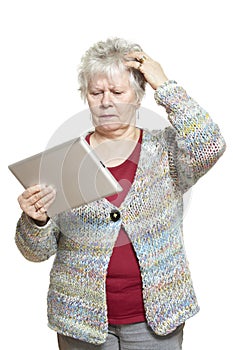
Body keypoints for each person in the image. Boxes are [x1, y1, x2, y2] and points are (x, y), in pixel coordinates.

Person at [15, 38, 226, 350]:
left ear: (138, 96)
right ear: (85, 97)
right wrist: (36, 221)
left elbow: (210, 144)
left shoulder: (165, 150)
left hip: (156, 320)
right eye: (96, 92)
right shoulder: (65, 162)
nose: (105, 101)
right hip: (80, 321)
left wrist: (164, 84)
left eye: (117, 92)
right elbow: (35, 252)